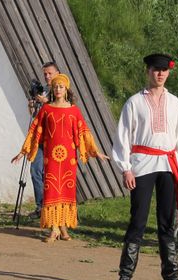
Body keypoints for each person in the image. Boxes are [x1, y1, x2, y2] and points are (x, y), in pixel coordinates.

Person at [110, 54, 178, 280]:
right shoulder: (134, 102)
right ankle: (125, 277)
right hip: (142, 165)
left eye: (164, 70)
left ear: (168, 73)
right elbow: (123, 136)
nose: (160, 74)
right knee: (137, 220)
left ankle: (171, 278)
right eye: (155, 70)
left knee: (167, 222)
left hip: (169, 166)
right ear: (148, 71)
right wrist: (126, 167)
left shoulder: (174, 103)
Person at [12, 73, 108, 243]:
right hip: (51, 158)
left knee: (66, 190)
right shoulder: (46, 110)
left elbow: (83, 132)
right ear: (52, 89)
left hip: (68, 159)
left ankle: (63, 226)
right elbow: (35, 131)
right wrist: (23, 151)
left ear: (66, 89)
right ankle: (54, 228)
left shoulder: (74, 110)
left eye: (61, 87)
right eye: (55, 86)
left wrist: (95, 151)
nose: (57, 89)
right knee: (51, 190)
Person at [27, 62, 60, 218]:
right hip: (40, 138)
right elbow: (36, 117)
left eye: (50, 73)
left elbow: (64, 109)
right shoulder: (43, 91)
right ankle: (41, 207)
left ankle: (54, 207)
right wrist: (33, 107)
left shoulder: (61, 90)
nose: (47, 76)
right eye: (45, 74)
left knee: (53, 174)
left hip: (55, 140)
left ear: (57, 73)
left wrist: (46, 103)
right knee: (35, 171)